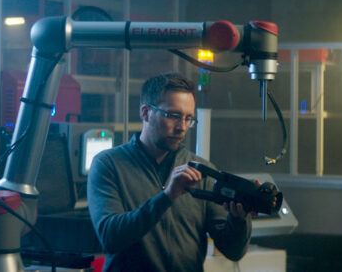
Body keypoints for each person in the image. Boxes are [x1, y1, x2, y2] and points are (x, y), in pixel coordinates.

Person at [87, 73, 252, 271]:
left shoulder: (201, 170)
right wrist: (167, 196)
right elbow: (110, 237)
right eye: (174, 115)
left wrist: (239, 218)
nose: (182, 127)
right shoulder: (109, 164)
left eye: (188, 118)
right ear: (146, 113)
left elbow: (233, 251)